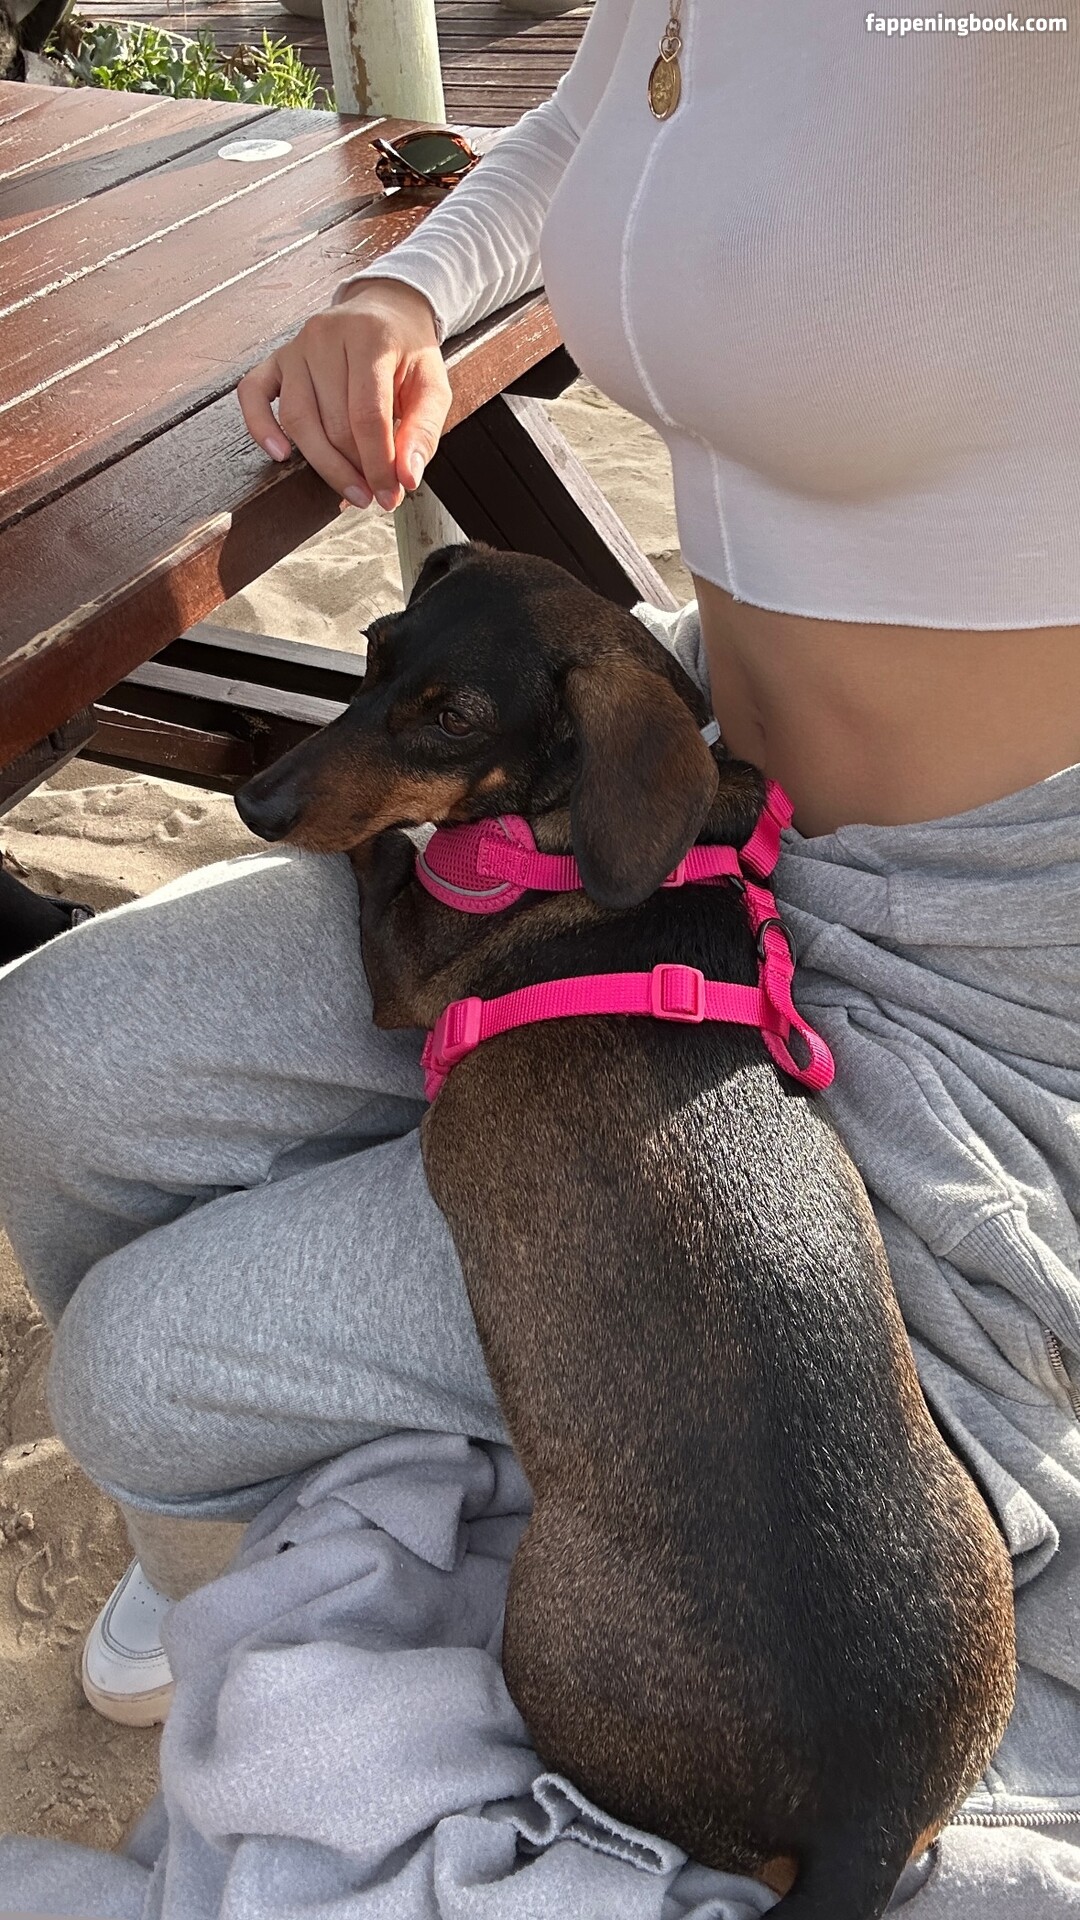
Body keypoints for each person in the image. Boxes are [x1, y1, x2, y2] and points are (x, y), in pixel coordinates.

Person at [1, 1, 1080, 1906]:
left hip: (972, 965)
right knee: (53, 1052)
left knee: (147, 1369)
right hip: (661, 794)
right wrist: (401, 295)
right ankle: (225, 1555)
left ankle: (256, 1532)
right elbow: (593, 127)